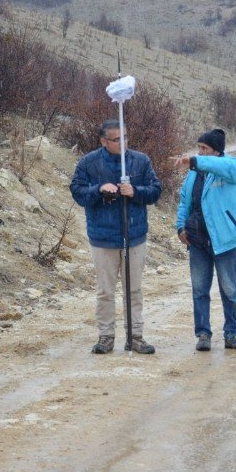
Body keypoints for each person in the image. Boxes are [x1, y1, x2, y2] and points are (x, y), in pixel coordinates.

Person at [70, 119, 161, 355]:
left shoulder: (140, 161)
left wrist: (135, 192)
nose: (123, 143)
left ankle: (136, 336)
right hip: (103, 237)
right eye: (116, 139)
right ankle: (106, 336)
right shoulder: (89, 163)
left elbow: (155, 191)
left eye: (125, 137)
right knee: (105, 291)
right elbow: (77, 193)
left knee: (134, 290)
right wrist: (98, 190)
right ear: (103, 141)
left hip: (134, 235)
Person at [172, 128, 236, 353]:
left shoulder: (230, 167)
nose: (200, 152)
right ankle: (203, 334)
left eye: (204, 148)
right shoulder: (194, 173)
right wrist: (180, 227)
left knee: (229, 289)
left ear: (217, 151)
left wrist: (197, 161)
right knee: (199, 290)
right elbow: (184, 201)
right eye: (198, 148)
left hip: (225, 240)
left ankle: (233, 334)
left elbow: (227, 169)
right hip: (197, 240)